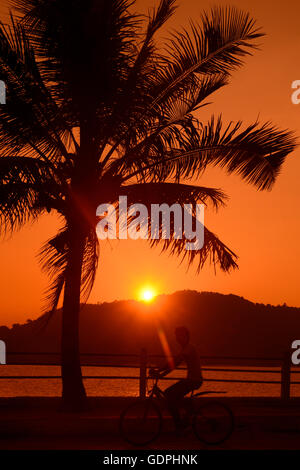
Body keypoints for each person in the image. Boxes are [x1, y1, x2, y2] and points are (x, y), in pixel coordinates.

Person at [150, 326, 203, 433]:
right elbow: (173, 363)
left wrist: (160, 372)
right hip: (191, 380)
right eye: (177, 336)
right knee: (171, 395)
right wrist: (160, 372)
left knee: (169, 394)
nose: (178, 338)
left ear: (186, 336)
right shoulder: (185, 348)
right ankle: (187, 409)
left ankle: (179, 425)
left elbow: (176, 363)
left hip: (194, 380)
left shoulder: (189, 348)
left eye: (180, 336)